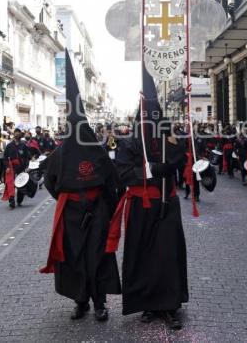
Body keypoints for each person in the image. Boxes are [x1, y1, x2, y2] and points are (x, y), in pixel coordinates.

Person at [40, 49, 121, 321]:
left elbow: (112, 181)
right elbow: (50, 181)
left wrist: (105, 208)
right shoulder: (60, 155)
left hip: (96, 211)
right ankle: (81, 301)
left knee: (97, 257)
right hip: (73, 214)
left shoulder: (96, 151)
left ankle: (99, 302)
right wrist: (68, 199)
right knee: (73, 257)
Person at [106, 66, 188, 330]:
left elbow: (179, 156)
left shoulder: (169, 139)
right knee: (143, 255)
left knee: (167, 254)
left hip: (166, 203)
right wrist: (153, 169)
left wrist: (173, 149)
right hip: (141, 206)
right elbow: (123, 172)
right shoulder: (129, 144)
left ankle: (170, 304)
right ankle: (148, 303)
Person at [2, 128, 30, 208]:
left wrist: (27, 166)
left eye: (19, 133)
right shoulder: (9, 146)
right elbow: (5, 158)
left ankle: (19, 200)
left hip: (21, 167)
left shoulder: (23, 145)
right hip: (11, 167)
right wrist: (7, 166)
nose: (17, 134)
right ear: (14, 134)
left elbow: (27, 157)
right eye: (16, 133)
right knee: (11, 184)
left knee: (20, 184)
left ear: (20, 135)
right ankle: (11, 201)